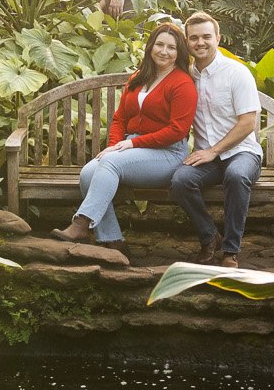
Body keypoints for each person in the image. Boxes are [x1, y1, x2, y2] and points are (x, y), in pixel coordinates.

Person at [55, 23, 195, 248]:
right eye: (159, 44)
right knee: (87, 174)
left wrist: (131, 144)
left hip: (168, 153)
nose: (164, 51)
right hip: (131, 148)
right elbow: (120, 118)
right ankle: (112, 239)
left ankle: (81, 224)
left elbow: (177, 130)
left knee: (109, 164)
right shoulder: (139, 77)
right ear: (151, 47)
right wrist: (114, 145)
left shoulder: (182, 83)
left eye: (171, 47)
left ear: (179, 52)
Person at [170, 10, 263, 267]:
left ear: (218, 38)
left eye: (206, 37)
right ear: (187, 43)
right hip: (207, 157)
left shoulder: (237, 73)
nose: (200, 43)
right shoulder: (186, 77)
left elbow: (248, 123)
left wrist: (214, 150)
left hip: (242, 152)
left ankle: (231, 251)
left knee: (236, 175)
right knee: (180, 181)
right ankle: (210, 237)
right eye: (194, 38)